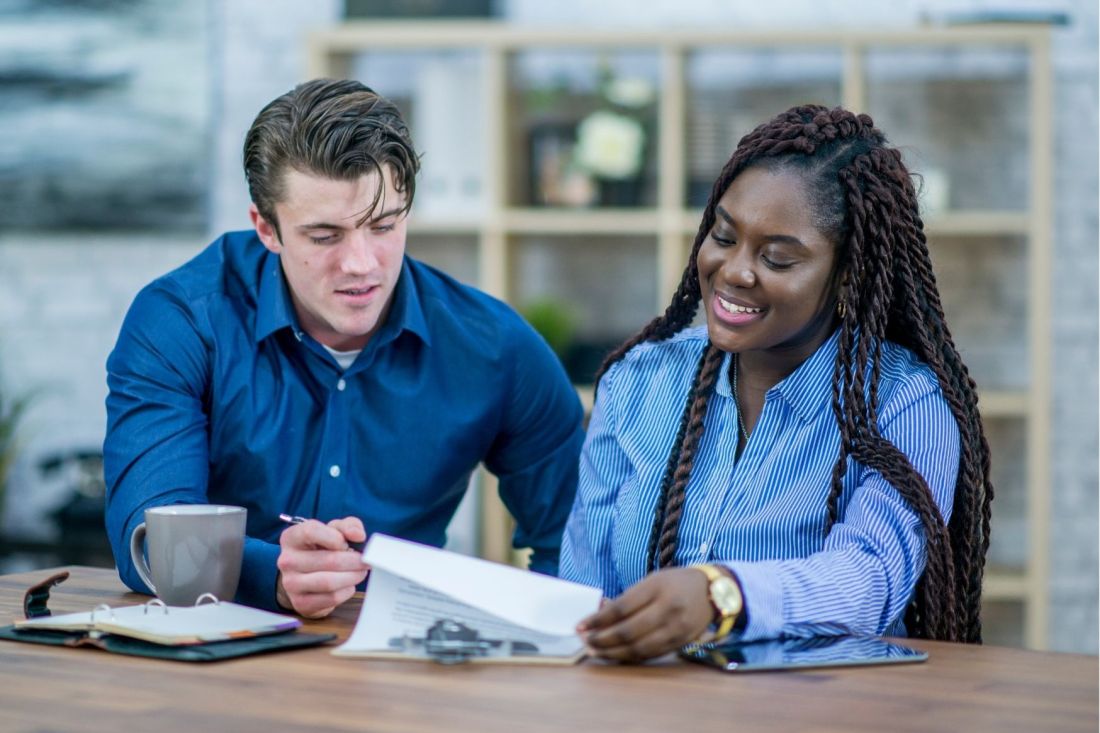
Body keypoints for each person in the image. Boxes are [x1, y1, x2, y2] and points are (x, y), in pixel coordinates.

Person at [104, 79, 584, 617]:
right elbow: (150, 534)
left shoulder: (496, 347)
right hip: (211, 657)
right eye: (325, 235)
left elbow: (581, 545)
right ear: (267, 228)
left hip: (403, 666)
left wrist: (537, 644)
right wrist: (271, 576)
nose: (360, 263)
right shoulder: (181, 322)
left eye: (382, 226)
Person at [560, 104, 993, 662]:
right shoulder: (640, 381)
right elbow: (582, 589)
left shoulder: (906, 404)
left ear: (846, 276)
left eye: (778, 258)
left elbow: (870, 579)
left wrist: (723, 596)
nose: (736, 271)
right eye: (723, 235)